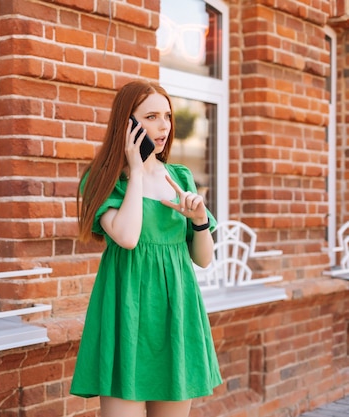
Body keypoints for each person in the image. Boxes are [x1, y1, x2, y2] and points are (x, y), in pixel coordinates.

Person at [70, 80, 222, 417]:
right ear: (127, 123)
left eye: (167, 116)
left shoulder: (180, 178)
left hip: (176, 314)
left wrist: (198, 220)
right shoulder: (102, 179)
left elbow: (204, 259)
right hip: (126, 313)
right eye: (151, 116)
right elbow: (127, 237)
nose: (164, 125)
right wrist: (136, 172)